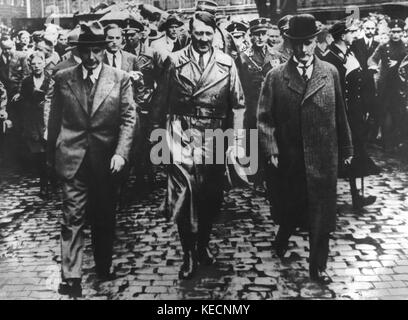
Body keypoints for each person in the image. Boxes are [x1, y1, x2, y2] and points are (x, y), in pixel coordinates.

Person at [257, 14, 353, 284]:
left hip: (324, 157)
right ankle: (282, 238)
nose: (302, 50)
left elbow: (340, 115)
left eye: (308, 43)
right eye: (296, 44)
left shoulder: (330, 72)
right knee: (292, 208)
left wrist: (347, 148)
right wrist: (271, 149)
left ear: (316, 42)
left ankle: (318, 266)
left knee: (322, 214)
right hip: (291, 158)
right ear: (289, 43)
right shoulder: (275, 77)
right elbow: (264, 118)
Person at [151, 11, 245, 280]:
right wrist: (155, 142)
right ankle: (189, 254)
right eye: (198, 33)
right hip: (180, 131)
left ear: (214, 34)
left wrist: (237, 141)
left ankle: (203, 245)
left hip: (214, 134)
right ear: (189, 34)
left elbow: (238, 105)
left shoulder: (227, 63)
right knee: (184, 195)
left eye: (208, 33)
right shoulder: (175, 60)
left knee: (211, 198)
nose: (203, 39)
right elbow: (161, 100)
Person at [47, 21, 137, 297]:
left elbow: (128, 119)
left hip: (106, 159)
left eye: (97, 50)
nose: (91, 57)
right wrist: (52, 155)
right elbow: (53, 120)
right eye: (86, 51)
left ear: (104, 49)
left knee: (104, 216)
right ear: (79, 51)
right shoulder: (63, 78)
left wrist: (121, 153)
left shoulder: (119, 78)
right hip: (72, 158)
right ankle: (71, 276)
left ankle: (103, 265)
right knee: (71, 217)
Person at [324, 21, 380, 210]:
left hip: (354, 113)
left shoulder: (351, 53)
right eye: (351, 32)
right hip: (340, 114)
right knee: (338, 156)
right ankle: (326, 200)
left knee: (355, 152)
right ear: (342, 35)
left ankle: (357, 197)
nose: (354, 35)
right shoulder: (330, 57)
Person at [368, 19, 408, 151]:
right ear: (389, 32)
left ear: (402, 32)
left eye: (398, 32)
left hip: (401, 86)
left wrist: (398, 64)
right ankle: (387, 144)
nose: (395, 35)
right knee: (385, 114)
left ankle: (398, 143)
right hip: (385, 86)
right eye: (393, 32)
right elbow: (372, 59)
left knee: (400, 113)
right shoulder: (383, 46)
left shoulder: (406, 46)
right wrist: (373, 66)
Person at [20, 52, 54, 198]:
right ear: (30, 66)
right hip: (33, 123)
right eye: (33, 64)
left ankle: (51, 179)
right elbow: (24, 101)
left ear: (44, 63)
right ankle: (43, 184)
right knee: (39, 155)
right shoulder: (27, 82)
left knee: (50, 154)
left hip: (48, 120)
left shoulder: (51, 80)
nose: (37, 66)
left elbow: (55, 100)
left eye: (39, 63)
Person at [240, 18, 281, 131]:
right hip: (252, 109)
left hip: (273, 107)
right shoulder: (243, 58)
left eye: (263, 34)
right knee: (253, 144)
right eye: (257, 34)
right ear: (250, 36)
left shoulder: (276, 56)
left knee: (272, 140)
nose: (260, 37)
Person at [351, 20, 380, 143]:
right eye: (367, 28)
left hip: (372, 83)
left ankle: (369, 137)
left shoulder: (379, 45)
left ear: (375, 30)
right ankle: (359, 137)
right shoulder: (356, 43)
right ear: (363, 28)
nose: (370, 31)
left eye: (372, 29)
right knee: (359, 110)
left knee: (372, 109)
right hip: (359, 82)